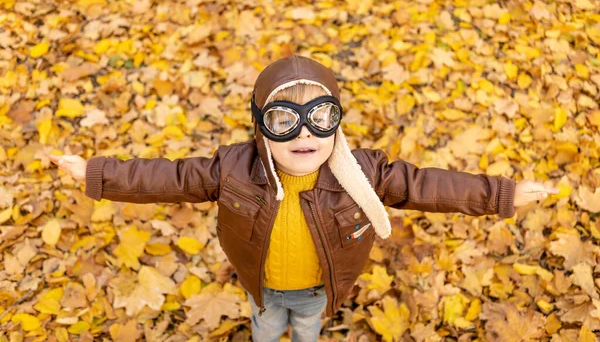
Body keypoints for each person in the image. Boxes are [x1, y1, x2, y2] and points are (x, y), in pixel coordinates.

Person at [49, 55, 559, 342]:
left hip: (320, 283)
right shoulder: (233, 168)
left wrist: (503, 195)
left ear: (337, 123)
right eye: (282, 122)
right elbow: (164, 177)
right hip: (262, 282)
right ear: (259, 130)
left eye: (320, 118)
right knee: (268, 327)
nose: (303, 136)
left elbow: (430, 185)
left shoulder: (365, 172)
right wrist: (95, 173)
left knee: (309, 327)